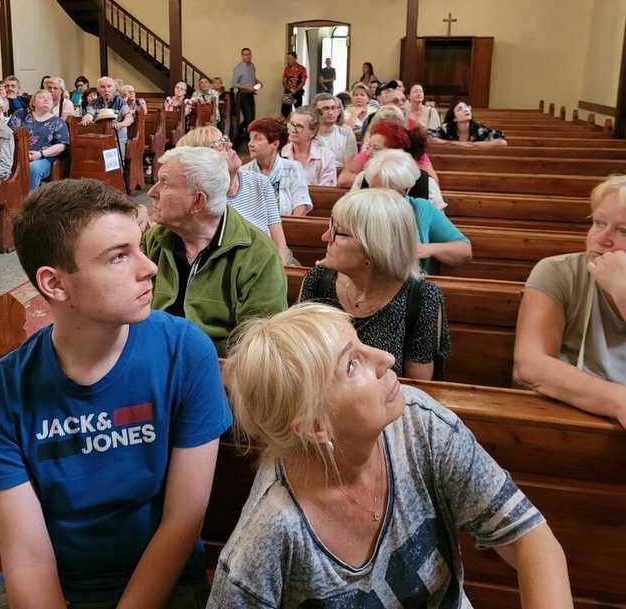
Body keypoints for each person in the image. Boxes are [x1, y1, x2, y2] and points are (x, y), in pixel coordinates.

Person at [209, 303, 573, 609]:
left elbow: (530, 538)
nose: (386, 358)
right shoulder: (268, 534)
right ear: (314, 427)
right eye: (351, 365)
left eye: (361, 344)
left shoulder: (419, 426)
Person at [0, 179, 231, 609]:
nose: (149, 267)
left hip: (163, 583)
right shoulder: (3, 392)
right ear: (55, 284)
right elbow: (28, 559)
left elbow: (181, 522)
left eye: (139, 247)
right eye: (119, 257)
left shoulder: (186, 353)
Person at [143, 146, 287, 352]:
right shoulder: (156, 239)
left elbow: (260, 347)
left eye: (164, 183)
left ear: (198, 201)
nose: (151, 191)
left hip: (218, 372)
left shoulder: (257, 254)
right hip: (155, 360)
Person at [514, 175, 626, 426]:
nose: (602, 239)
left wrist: (622, 293)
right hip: (568, 418)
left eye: (623, 230)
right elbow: (530, 365)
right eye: (599, 223)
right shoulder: (557, 271)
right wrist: (619, 400)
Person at [301, 188, 449, 378]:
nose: (325, 237)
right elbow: (299, 362)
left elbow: (417, 390)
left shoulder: (421, 298)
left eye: (338, 232)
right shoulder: (318, 280)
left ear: (373, 247)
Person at [176, 126, 289, 263]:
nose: (229, 145)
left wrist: (279, 273)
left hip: (269, 265)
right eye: (219, 145)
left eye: (225, 140)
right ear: (203, 163)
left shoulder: (260, 182)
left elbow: (279, 243)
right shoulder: (203, 199)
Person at [358, 149, 472, 273]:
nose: (386, 200)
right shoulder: (358, 210)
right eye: (378, 192)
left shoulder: (420, 208)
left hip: (415, 286)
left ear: (407, 189)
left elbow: (464, 250)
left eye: (394, 193)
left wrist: (428, 249)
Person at [340, 120, 445, 209]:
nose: (368, 153)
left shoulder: (426, 184)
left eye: (376, 148)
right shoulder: (362, 178)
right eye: (368, 147)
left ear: (397, 152)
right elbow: (350, 214)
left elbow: (439, 229)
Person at [243, 116, 312, 216]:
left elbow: (301, 204)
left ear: (275, 144)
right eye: (250, 139)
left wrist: (291, 227)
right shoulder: (243, 172)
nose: (250, 144)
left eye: (257, 139)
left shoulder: (293, 168)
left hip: (286, 228)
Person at [8, 89, 69, 192]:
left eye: (49, 99)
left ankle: (29, 202)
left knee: (33, 168)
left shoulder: (58, 122)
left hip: (42, 158)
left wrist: (40, 154)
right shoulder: (21, 114)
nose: (46, 100)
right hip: (15, 156)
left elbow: (62, 145)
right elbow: (7, 134)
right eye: (41, 97)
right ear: (33, 102)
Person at [281, 106, 337, 186]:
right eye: (292, 124)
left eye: (299, 126)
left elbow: (325, 192)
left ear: (313, 132)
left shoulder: (326, 156)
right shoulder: (280, 154)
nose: (293, 130)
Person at [81, 76, 134, 157]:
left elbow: (129, 118)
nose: (106, 89)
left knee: (115, 161)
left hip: (117, 136)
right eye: (103, 87)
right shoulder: (95, 102)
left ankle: (118, 166)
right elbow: (89, 114)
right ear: (98, 89)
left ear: (114, 88)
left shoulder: (120, 101)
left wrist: (121, 124)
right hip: (100, 136)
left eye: (109, 86)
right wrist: (86, 119)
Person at [437, 99, 507, 147]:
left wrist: (472, 145)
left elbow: (502, 142)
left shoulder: (479, 129)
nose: (465, 110)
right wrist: (455, 144)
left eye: (466, 107)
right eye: (460, 109)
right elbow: (429, 139)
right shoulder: (446, 128)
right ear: (454, 118)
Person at [313, 92, 357, 167]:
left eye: (333, 108)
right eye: (326, 109)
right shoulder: (308, 134)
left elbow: (350, 166)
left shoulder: (347, 133)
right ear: (316, 112)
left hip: (341, 176)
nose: (331, 112)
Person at [232, 48, 262, 139]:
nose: (247, 56)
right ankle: (242, 133)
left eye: (249, 54)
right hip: (242, 95)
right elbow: (234, 83)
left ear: (251, 55)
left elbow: (252, 78)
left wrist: (258, 82)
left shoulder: (252, 65)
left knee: (252, 118)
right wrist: (246, 87)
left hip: (251, 94)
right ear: (242, 56)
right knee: (249, 118)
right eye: (245, 54)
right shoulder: (238, 68)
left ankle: (243, 133)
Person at [281, 51, 308, 118]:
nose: (288, 60)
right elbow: (284, 81)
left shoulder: (302, 69)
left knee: (299, 112)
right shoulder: (287, 69)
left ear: (295, 59)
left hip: (297, 92)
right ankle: (285, 126)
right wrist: (288, 88)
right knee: (285, 112)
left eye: (290, 58)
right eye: (287, 58)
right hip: (288, 92)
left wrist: (295, 90)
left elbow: (303, 82)